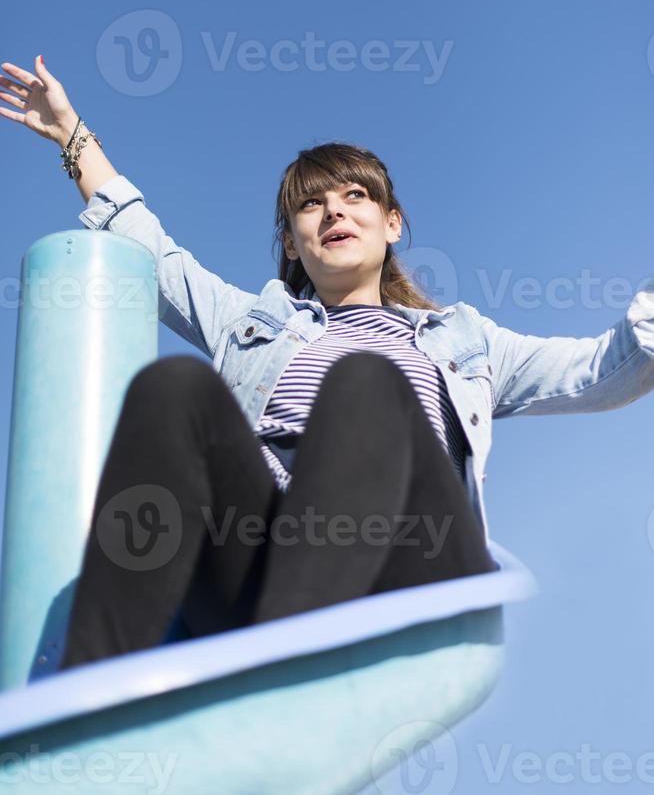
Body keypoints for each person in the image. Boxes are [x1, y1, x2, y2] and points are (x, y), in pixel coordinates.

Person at [2, 56, 654, 671]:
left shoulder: (465, 342)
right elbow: (154, 253)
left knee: (366, 381)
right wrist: (72, 136)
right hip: (260, 571)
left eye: (355, 196)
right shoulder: (257, 324)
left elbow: (604, 369)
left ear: (392, 223)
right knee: (173, 386)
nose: (335, 210)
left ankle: (299, 667)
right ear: (291, 239)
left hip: (412, 569)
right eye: (312, 205)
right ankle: (83, 702)